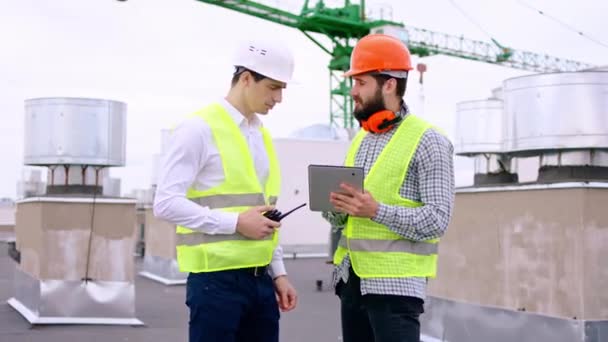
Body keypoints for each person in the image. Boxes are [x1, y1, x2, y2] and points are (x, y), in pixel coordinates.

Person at [153, 38, 298, 342]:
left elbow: (264, 214)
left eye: (282, 88)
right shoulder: (198, 129)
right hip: (215, 283)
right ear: (246, 78)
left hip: (261, 282)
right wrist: (235, 223)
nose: (279, 98)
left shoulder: (261, 136)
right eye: (273, 87)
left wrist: (279, 272)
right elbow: (165, 203)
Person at [323, 33, 455, 342]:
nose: (352, 91)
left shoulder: (429, 140)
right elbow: (341, 221)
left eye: (361, 83)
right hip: (352, 283)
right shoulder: (360, 139)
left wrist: (376, 211)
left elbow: (438, 220)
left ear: (390, 84)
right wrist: (335, 208)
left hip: (396, 290)